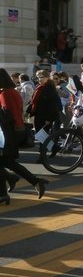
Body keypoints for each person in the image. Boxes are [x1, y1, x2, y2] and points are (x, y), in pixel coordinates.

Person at [0, 68, 49, 202]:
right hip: (17, 130)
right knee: (7, 162)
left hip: (9, 133)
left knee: (5, 162)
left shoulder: (4, 94)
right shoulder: (13, 92)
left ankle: (5, 190)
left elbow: (6, 115)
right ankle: (29, 181)